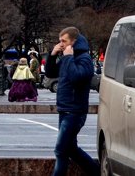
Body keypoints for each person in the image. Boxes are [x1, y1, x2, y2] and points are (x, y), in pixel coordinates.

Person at [44, 26, 96, 176]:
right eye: (59, 41)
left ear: (73, 41)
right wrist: (53, 55)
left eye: (64, 41)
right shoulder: (68, 57)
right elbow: (51, 72)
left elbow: (77, 78)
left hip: (75, 111)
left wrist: (67, 57)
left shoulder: (84, 59)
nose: (61, 44)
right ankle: (95, 171)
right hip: (65, 109)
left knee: (61, 151)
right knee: (71, 149)